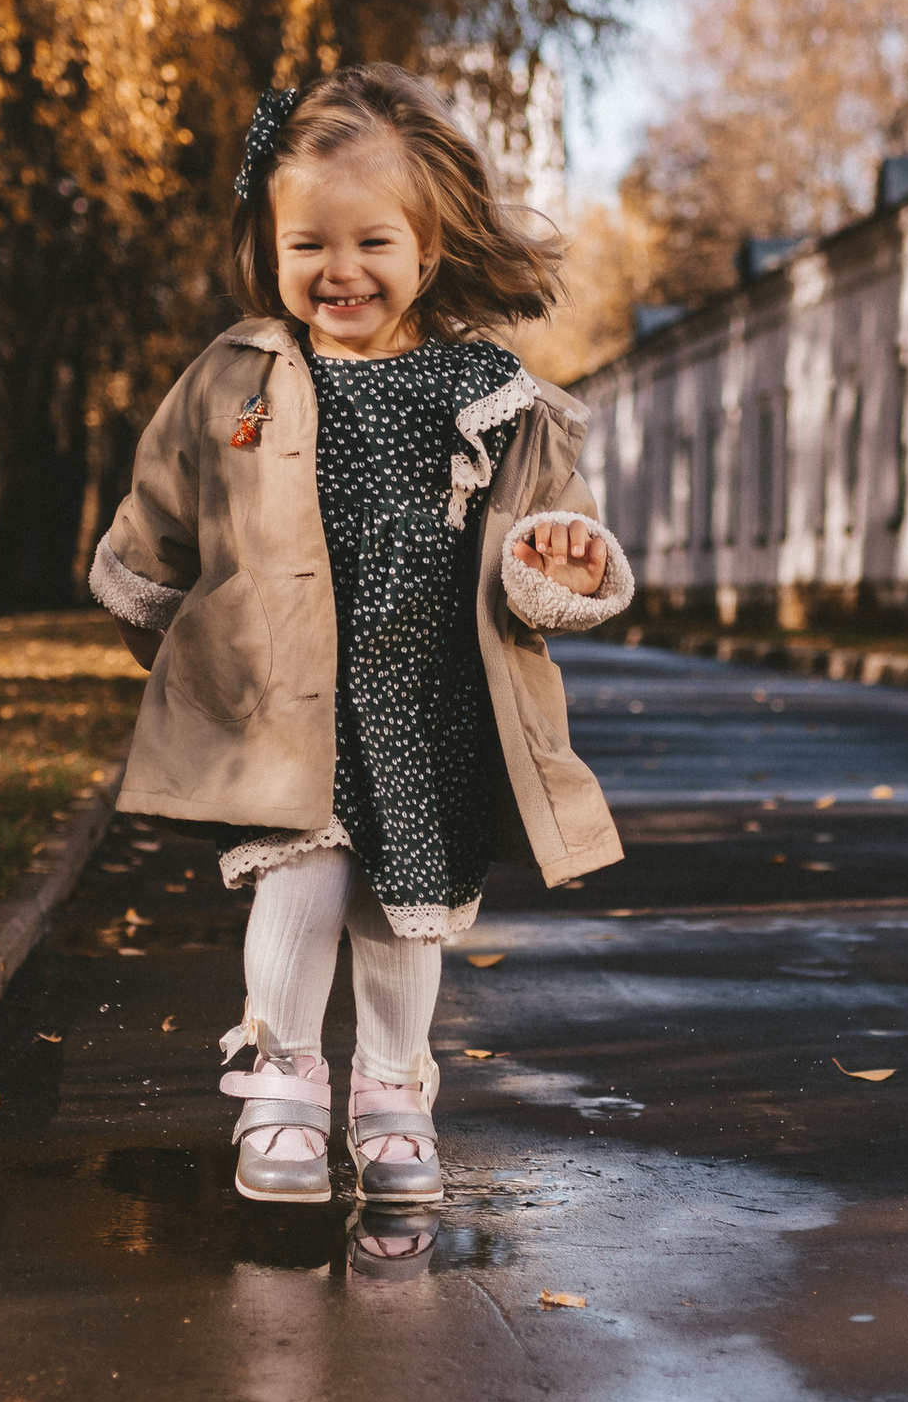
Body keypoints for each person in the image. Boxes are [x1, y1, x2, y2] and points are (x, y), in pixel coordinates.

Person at [88, 66, 636, 1210]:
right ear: (269, 247)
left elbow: (538, 537)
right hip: (285, 696)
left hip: (427, 697)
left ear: (430, 248)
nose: (340, 272)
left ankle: (393, 1097)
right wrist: (159, 615)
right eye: (308, 246)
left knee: (402, 912)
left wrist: (559, 567)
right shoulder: (236, 379)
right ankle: (282, 1088)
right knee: (300, 882)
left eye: (373, 242)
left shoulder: (486, 392)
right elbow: (163, 513)